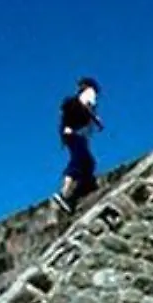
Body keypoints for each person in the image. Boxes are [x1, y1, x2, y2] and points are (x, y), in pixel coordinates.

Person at [53, 77, 104, 211]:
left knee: (87, 162)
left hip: (71, 133)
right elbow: (86, 105)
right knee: (80, 160)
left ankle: (79, 190)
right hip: (75, 134)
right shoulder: (89, 93)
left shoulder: (74, 100)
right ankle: (65, 193)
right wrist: (96, 119)